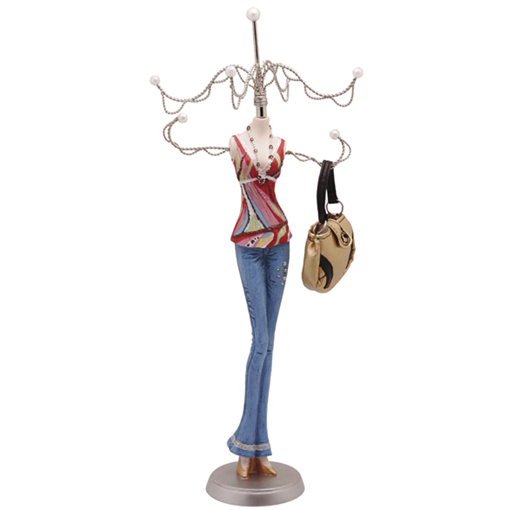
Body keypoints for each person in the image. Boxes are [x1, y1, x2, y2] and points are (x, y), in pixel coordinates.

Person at [226, 115, 292, 478]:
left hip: (280, 242)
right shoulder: (236, 142)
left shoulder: (280, 144)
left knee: (270, 345)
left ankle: (257, 445)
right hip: (248, 243)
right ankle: (245, 443)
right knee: (261, 341)